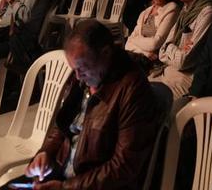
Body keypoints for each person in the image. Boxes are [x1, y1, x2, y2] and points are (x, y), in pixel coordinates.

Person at [13, 18, 163, 190]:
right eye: (74, 69)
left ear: (106, 53)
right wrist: (45, 153)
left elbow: (124, 167)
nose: (77, 77)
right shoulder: (84, 78)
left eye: (82, 68)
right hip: (64, 174)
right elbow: (61, 127)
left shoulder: (132, 89)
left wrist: (66, 187)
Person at [150, 0, 212, 99]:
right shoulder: (186, 10)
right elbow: (162, 51)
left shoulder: (208, 11)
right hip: (167, 71)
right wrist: (173, 49)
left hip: (183, 79)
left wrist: (170, 48)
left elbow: (184, 61)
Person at [123, 0, 179, 71]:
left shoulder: (171, 9)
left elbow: (155, 44)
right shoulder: (145, 12)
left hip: (154, 65)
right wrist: (146, 53)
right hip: (140, 58)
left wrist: (134, 40)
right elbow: (128, 43)